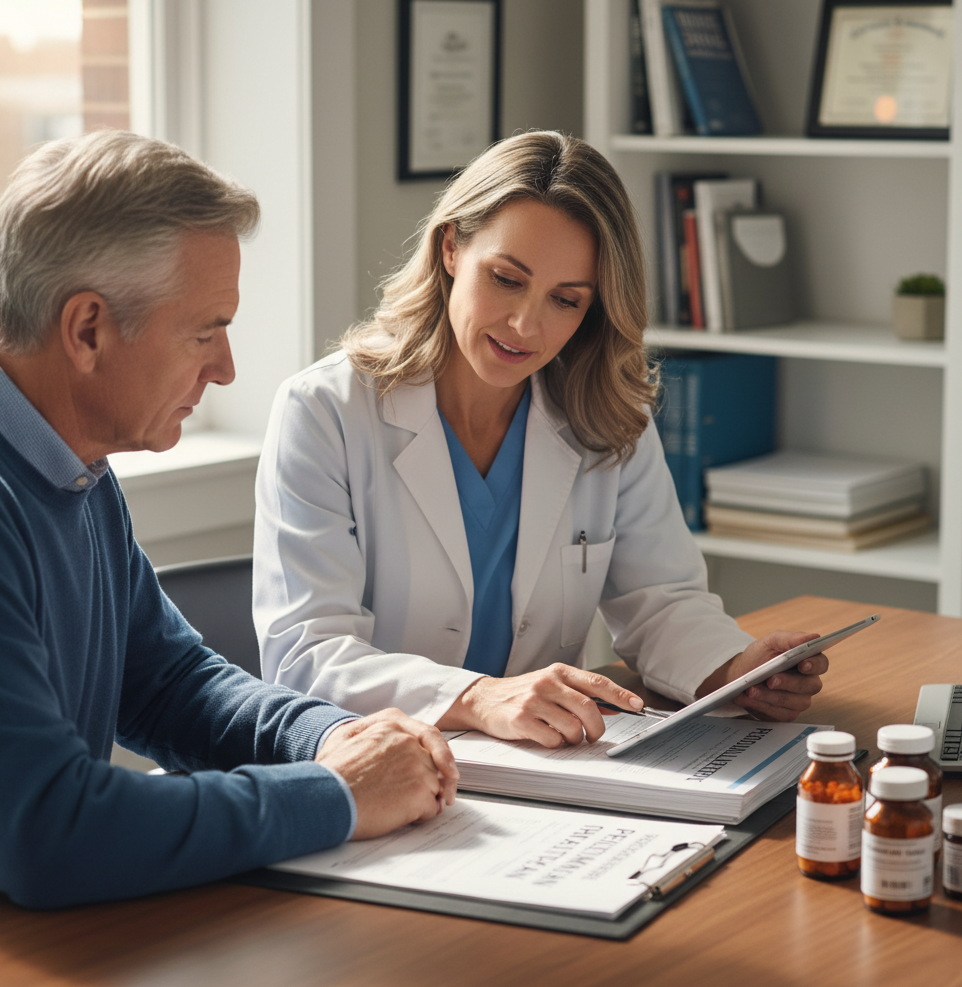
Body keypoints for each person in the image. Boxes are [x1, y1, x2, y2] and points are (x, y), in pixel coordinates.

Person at [0, 130, 457, 910]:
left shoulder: (65, 459)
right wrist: (336, 794)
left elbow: (165, 683)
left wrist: (327, 736)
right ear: (87, 330)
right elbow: (48, 834)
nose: (226, 367)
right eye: (205, 329)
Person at [253, 131, 828, 747]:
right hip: (386, 764)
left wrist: (736, 669)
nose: (526, 325)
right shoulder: (325, 412)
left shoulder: (605, 413)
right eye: (505, 278)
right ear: (451, 249)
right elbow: (306, 654)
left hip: (542, 769)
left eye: (565, 299)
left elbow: (659, 600)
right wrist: (476, 697)